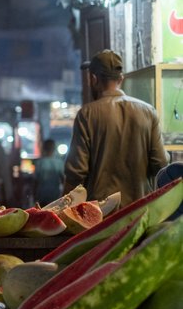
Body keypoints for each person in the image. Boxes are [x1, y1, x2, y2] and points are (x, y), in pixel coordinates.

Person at [64, 49, 169, 207]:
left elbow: (76, 172)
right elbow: (161, 163)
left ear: (93, 79)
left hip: (101, 215)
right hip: (139, 212)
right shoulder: (148, 111)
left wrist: (63, 209)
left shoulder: (87, 114)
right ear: (121, 78)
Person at [33, 138, 65, 206]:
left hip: (42, 195)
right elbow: (63, 179)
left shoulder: (39, 163)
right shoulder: (59, 163)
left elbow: (35, 181)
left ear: (44, 148)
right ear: (54, 148)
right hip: (55, 195)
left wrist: (34, 195)